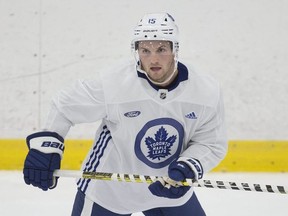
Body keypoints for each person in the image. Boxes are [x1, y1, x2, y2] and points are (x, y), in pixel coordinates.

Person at [23, 12, 227, 216]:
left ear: (175, 50)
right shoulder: (114, 83)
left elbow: (211, 142)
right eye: (145, 50)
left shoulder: (205, 90)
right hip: (110, 190)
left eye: (162, 49)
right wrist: (47, 146)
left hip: (168, 187)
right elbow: (64, 105)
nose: (153, 59)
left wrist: (189, 166)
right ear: (137, 51)